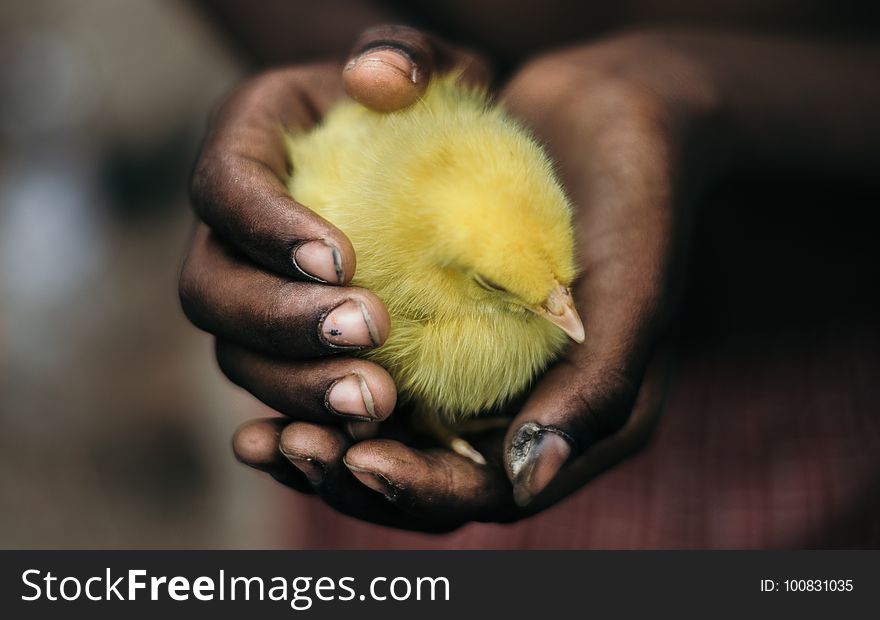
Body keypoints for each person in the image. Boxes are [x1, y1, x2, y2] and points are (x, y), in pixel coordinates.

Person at [179, 1, 880, 547]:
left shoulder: (498, 229)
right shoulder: (394, 278)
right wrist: (346, 52)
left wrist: (694, 90)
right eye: (506, 287)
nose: (564, 309)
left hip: (824, 372)